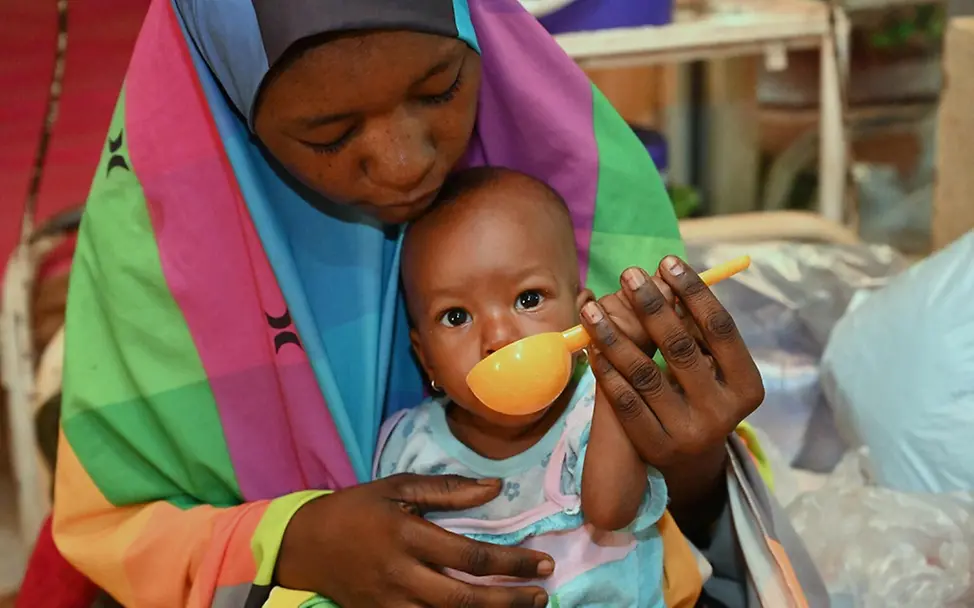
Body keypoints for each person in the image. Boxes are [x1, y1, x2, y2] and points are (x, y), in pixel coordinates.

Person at [50, 0, 818, 607]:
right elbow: (112, 531)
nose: (407, 163)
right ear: (234, 113)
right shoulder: (160, 267)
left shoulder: (570, 199)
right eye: (328, 132)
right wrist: (291, 540)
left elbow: (679, 535)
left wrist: (694, 464)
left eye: (440, 89)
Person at [378, 166, 694, 607]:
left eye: (528, 299)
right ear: (424, 355)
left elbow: (612, 511)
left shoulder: (596, 408)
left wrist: (615, 364)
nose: (499, 337)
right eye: (456, 317)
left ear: (583, 317)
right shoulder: (409, 445)